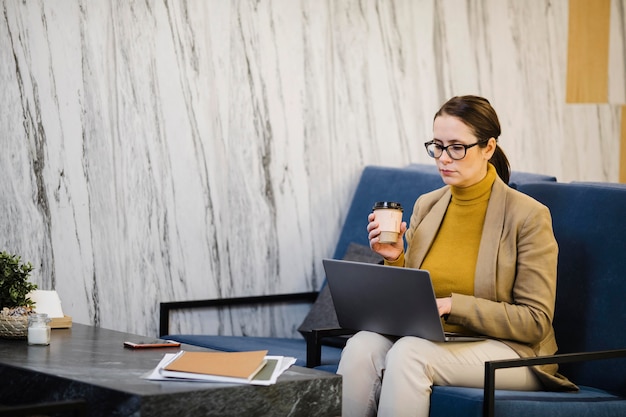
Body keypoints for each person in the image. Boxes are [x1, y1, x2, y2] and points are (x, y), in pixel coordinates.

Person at [337, 95, 576, 417]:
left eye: (456, 147)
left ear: (488, 148)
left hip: (514, 353)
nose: (443, 158)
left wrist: (453, 305)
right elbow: (416, 295)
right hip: (439, 339)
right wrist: (395, 258)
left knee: (409, 354)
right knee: (362, 345)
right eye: (437, 145)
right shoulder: (428, 205)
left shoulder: (528, 216)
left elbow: (534, 322)